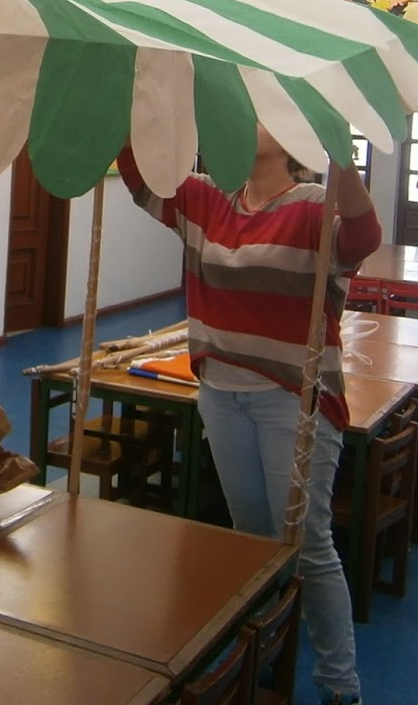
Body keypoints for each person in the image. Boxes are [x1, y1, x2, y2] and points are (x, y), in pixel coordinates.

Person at [118, 125, 380, 705]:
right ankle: (264, 660)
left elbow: (362, 236)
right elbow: (139, 175)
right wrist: (132, 97)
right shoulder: (205, 198)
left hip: (293, 398)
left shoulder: (314, 208)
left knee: (307, 542)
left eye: (264, 114)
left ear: (292, 138)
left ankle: (339, 684)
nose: (248, 120)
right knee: (252, 540)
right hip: (221, 394)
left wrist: (340, 153)